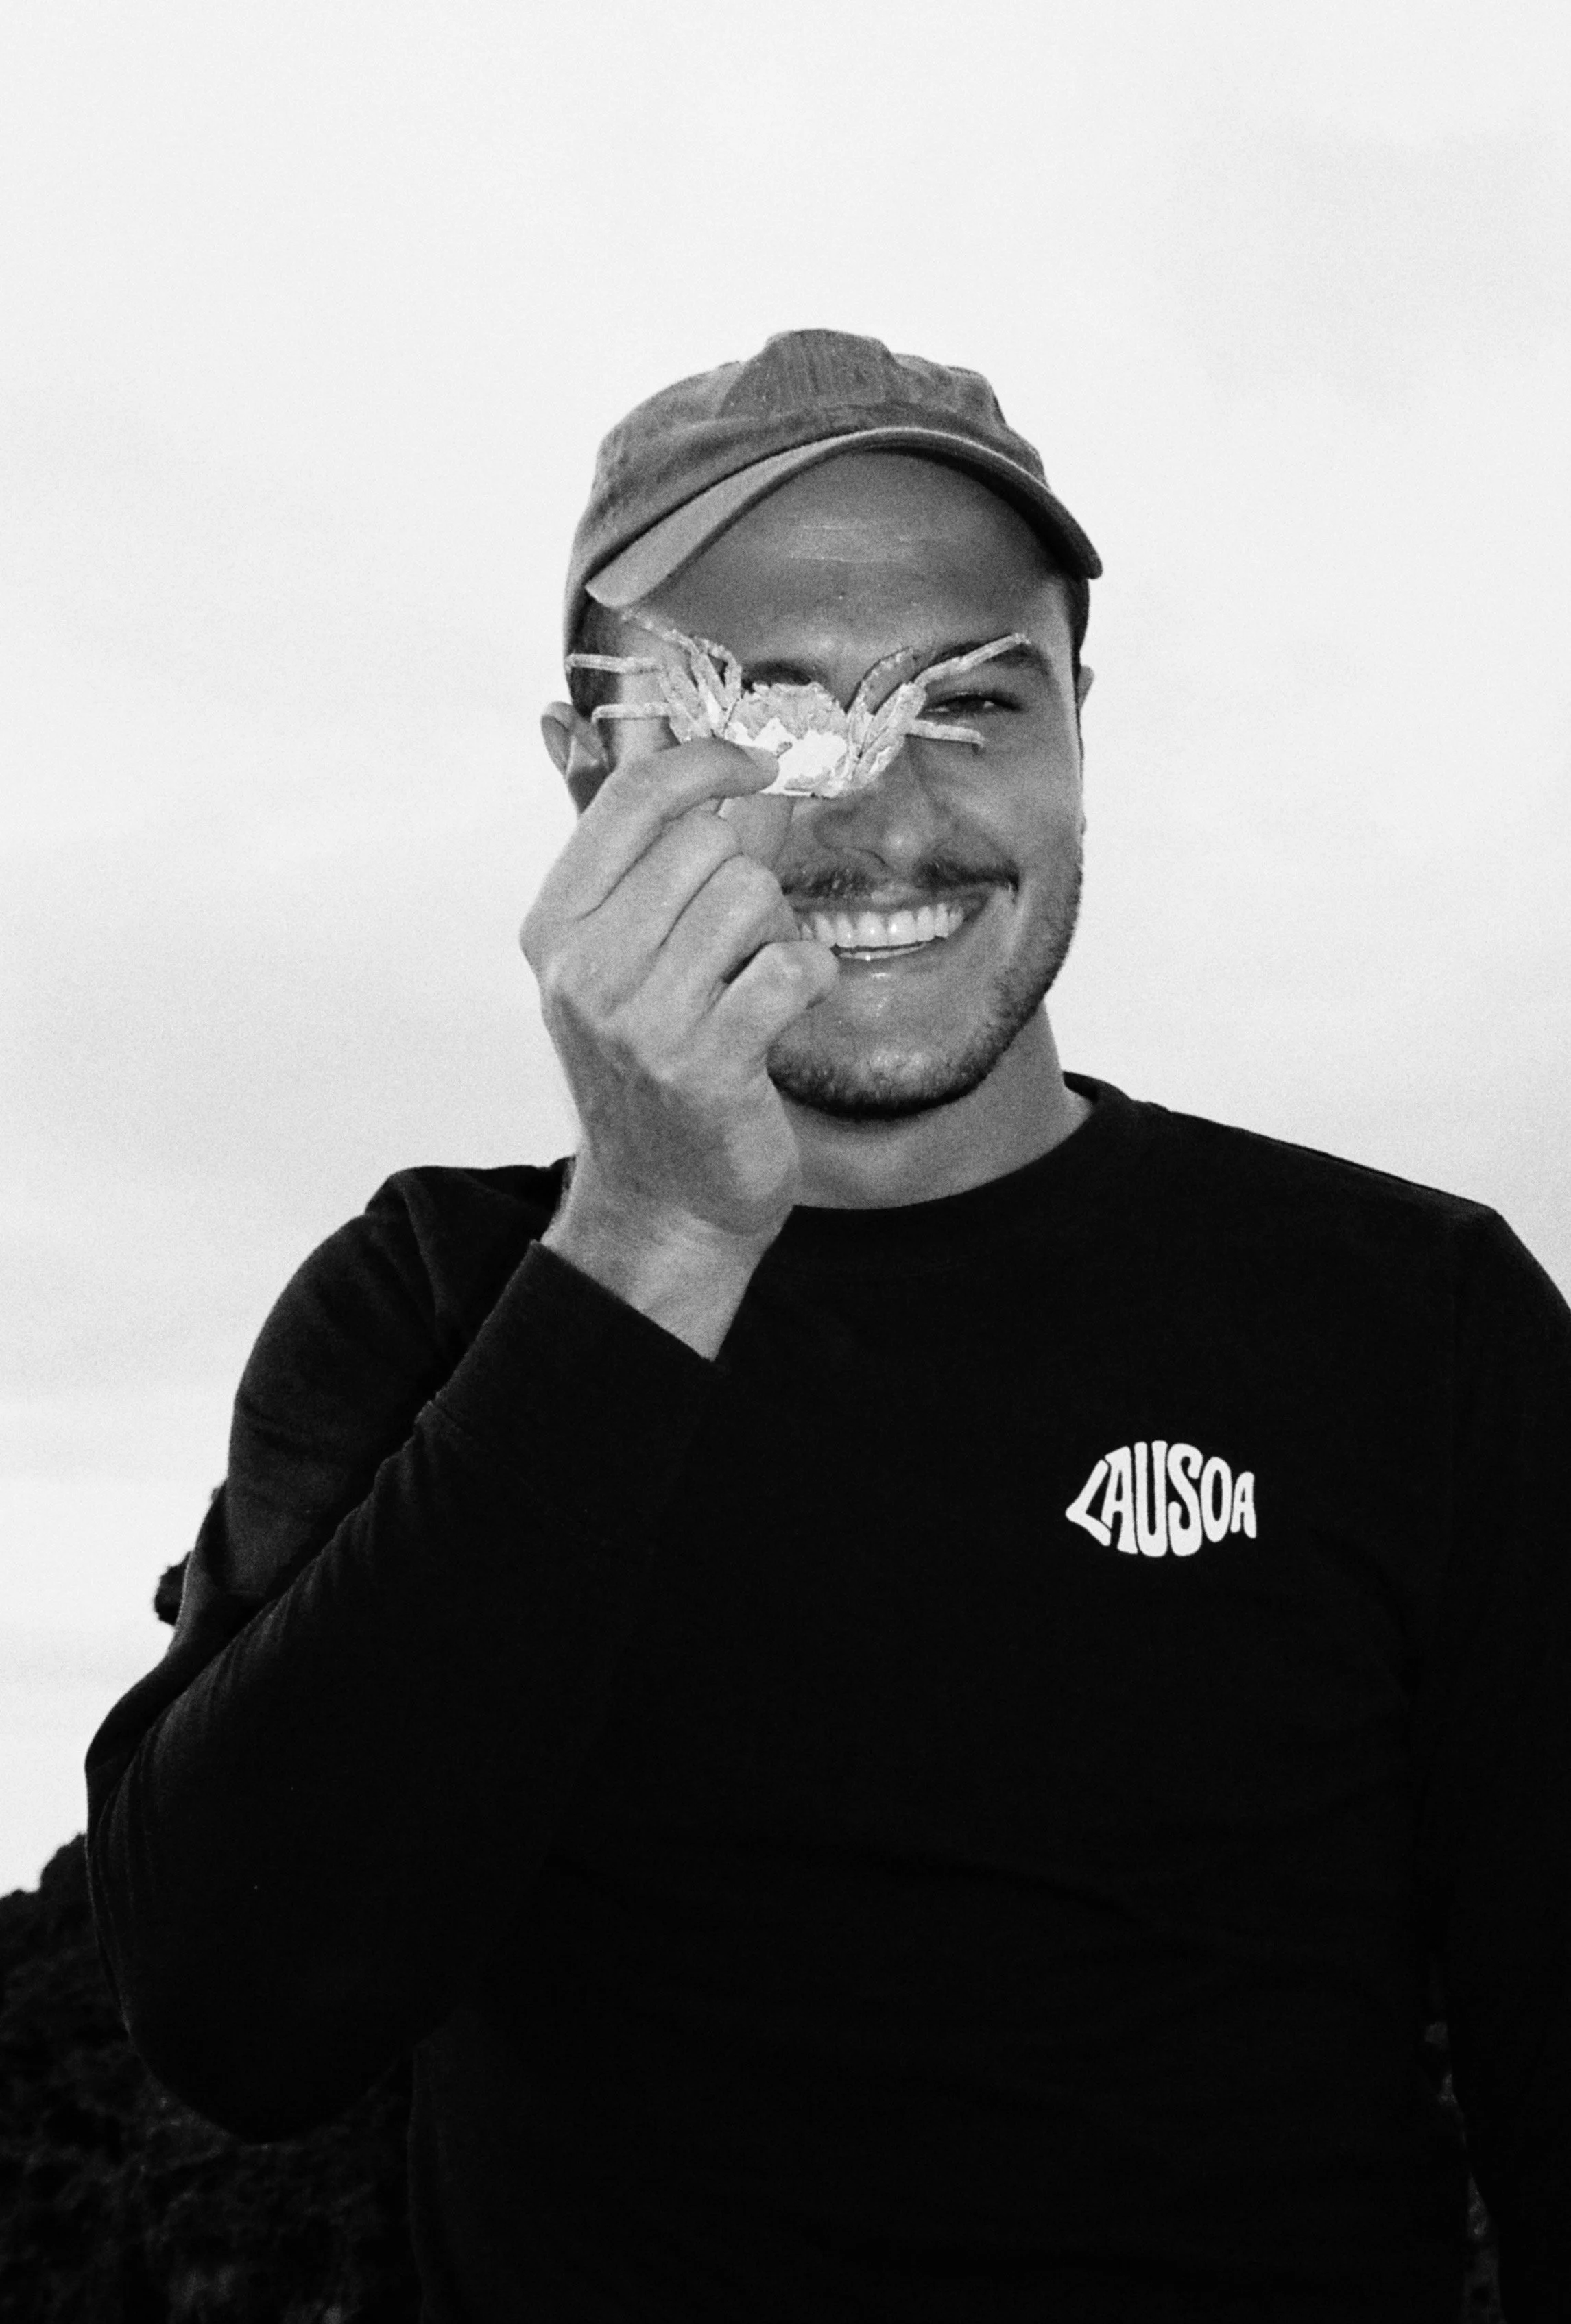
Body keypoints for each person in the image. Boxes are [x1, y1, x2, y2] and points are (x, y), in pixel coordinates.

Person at [86, 330, 1570, 2323]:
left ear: (1078, 732)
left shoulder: (1412, 1324)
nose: (881, 819)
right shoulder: (427, 1307)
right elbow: (242, 2015)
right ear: (592, 770)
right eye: (768, 711)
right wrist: (655, 1229)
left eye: (970, 700)